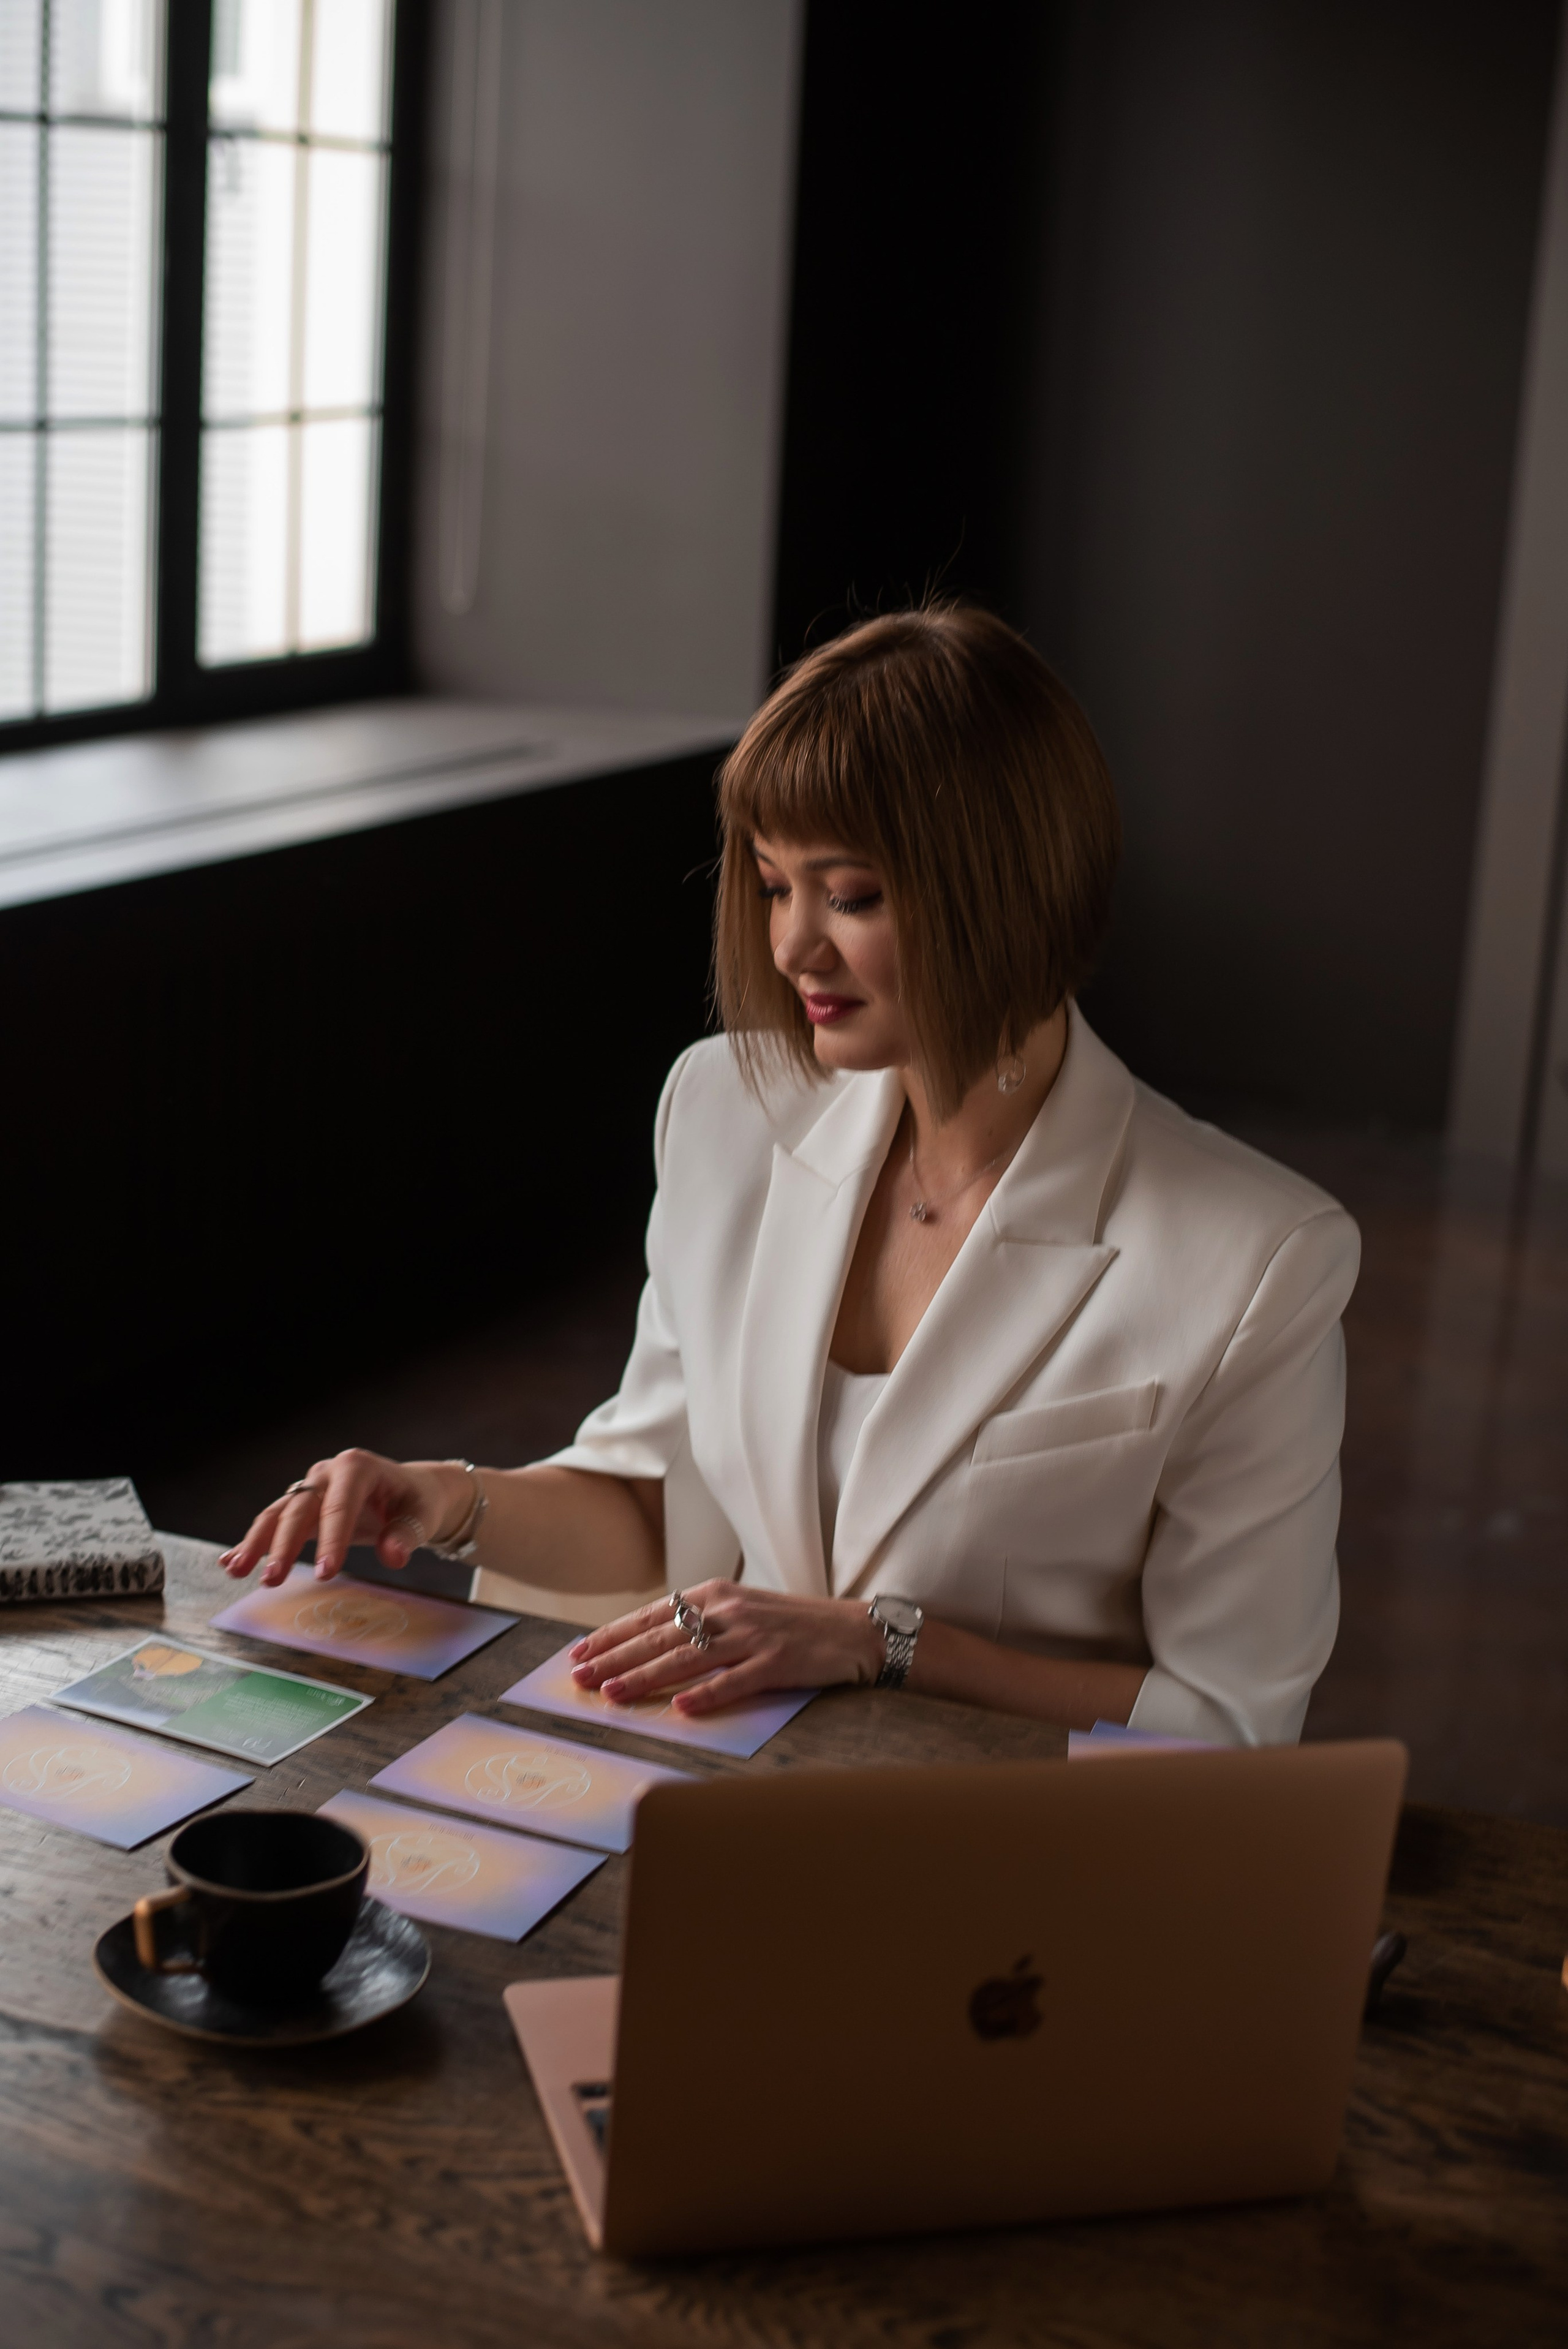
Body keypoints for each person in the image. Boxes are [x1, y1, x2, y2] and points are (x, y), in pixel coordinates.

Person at [221, 606, 1358, 1745]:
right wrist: (448, 1500)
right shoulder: (721, 1113)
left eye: (850, 895)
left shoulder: (1259, 1261)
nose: (792, 948)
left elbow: (1230, 1721)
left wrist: (884, 1641)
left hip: (1003, 1853)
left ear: (1006, 889)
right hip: (725, 1803)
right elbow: (657, 1504)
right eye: (774, 885)